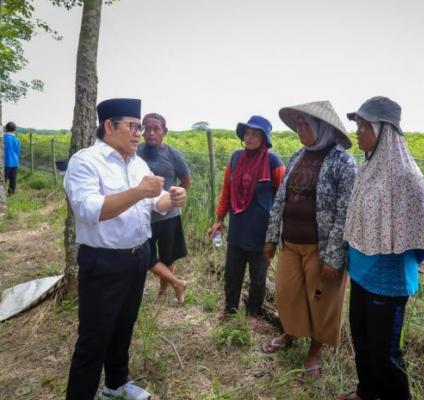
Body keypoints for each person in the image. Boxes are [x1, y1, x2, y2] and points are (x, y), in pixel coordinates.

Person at [64, 98, 187, 400]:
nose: (139, 134)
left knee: (124, 326)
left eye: (140, 127)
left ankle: (115, 385)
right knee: (94, 338)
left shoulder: (138, 163)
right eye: (132, 126)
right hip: (103, 261)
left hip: (138, 256)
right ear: (109, 126)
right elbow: (90, 210)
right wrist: (137, 192)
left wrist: (170, 199)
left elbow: (152, 203)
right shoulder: (86, 162)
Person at [337, 96, 424, 400]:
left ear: (384, 130)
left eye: (364, 126)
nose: (358, 132)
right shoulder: (366, 168)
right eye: (357, 125)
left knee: (385, 353)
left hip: (389, 282)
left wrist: (397, 249)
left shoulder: (408, 178)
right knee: (362, 339)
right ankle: (366, 392)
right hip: (360, 273)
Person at [262, 100, 357, 379]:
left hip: (321, 247)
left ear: (321, 127)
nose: (299, 130)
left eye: (305, 124)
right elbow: (281, 199)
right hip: (290, 243)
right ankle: (290, 333)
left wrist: (334, 255)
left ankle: (315, 351)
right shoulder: (297, 156)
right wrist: (271, 237)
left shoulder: (342, 161)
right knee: (287, 293)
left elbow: (345, 211)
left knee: (322, 301)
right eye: (298, 124)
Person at [207, 115, 285, 327]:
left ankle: (253, 312)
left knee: (258, 276)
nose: (249, 138)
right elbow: (227, 191)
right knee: (232, 272)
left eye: (255, 134)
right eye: (247, 133)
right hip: (238, 228)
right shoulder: (235, 158)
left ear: (264, 138)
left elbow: (282, 198)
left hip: (262, 232)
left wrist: (276, 234)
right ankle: (230, 309)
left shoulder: (273, 161)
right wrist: (219, 218)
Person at [138, 113, 190, 305]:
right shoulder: (136, 152)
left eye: (156, 129)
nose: (150, 133)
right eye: (146, 128)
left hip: (169, 216)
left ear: (164, 132)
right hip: (144, 216)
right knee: (146, 256)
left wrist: (177, 197)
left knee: (168, 256)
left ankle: (162, 291)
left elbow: (186, 179)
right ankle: (177, 283)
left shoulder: (172, 154)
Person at [3, 121, 21, 195]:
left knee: (3, 180)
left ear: (5, 129)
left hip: (5, 162)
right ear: (15, 130)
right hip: (15, 162)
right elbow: (18, 152)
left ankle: (2, 195)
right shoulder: (17, 140)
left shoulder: (3, 138)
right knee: (13, 180)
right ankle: (11, 194)